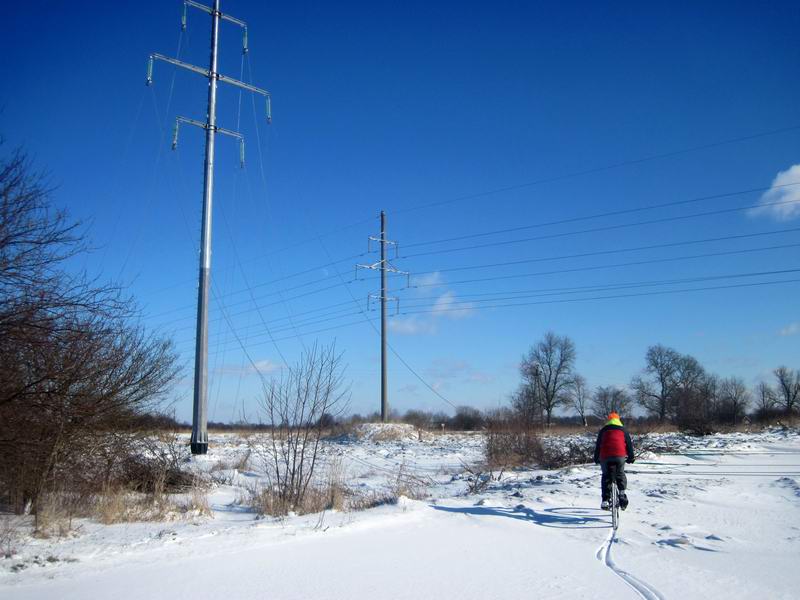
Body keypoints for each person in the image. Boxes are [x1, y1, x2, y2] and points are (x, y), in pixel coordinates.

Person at [593, 412, 634, 511]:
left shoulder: (603, 430)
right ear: (618, 420)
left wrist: (596, 458)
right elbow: (629, 445)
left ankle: (605, 500)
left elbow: (598, 445)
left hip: (605, 456)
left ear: (609, 420)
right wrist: (631, 457)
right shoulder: (623, 430)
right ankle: (622, 493)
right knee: (620, 473)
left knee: (606, 476)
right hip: (619, 456)